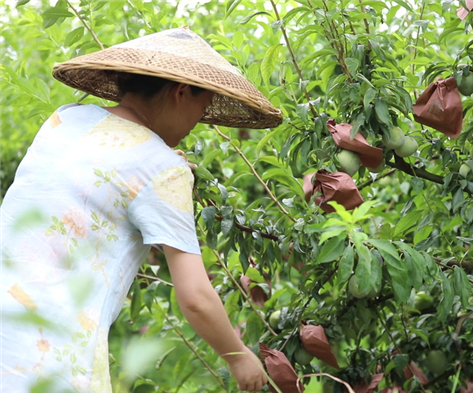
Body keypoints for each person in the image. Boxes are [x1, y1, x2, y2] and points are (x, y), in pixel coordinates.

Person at [0, 27, 282, 392]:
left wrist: (159, 165)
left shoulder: (64, 119)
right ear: (181, 92)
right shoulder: (162, 169)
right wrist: (238, 356)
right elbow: (195, 296)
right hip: (52, 355)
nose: (201, 119)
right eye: (203, 104)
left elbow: (107, 173)